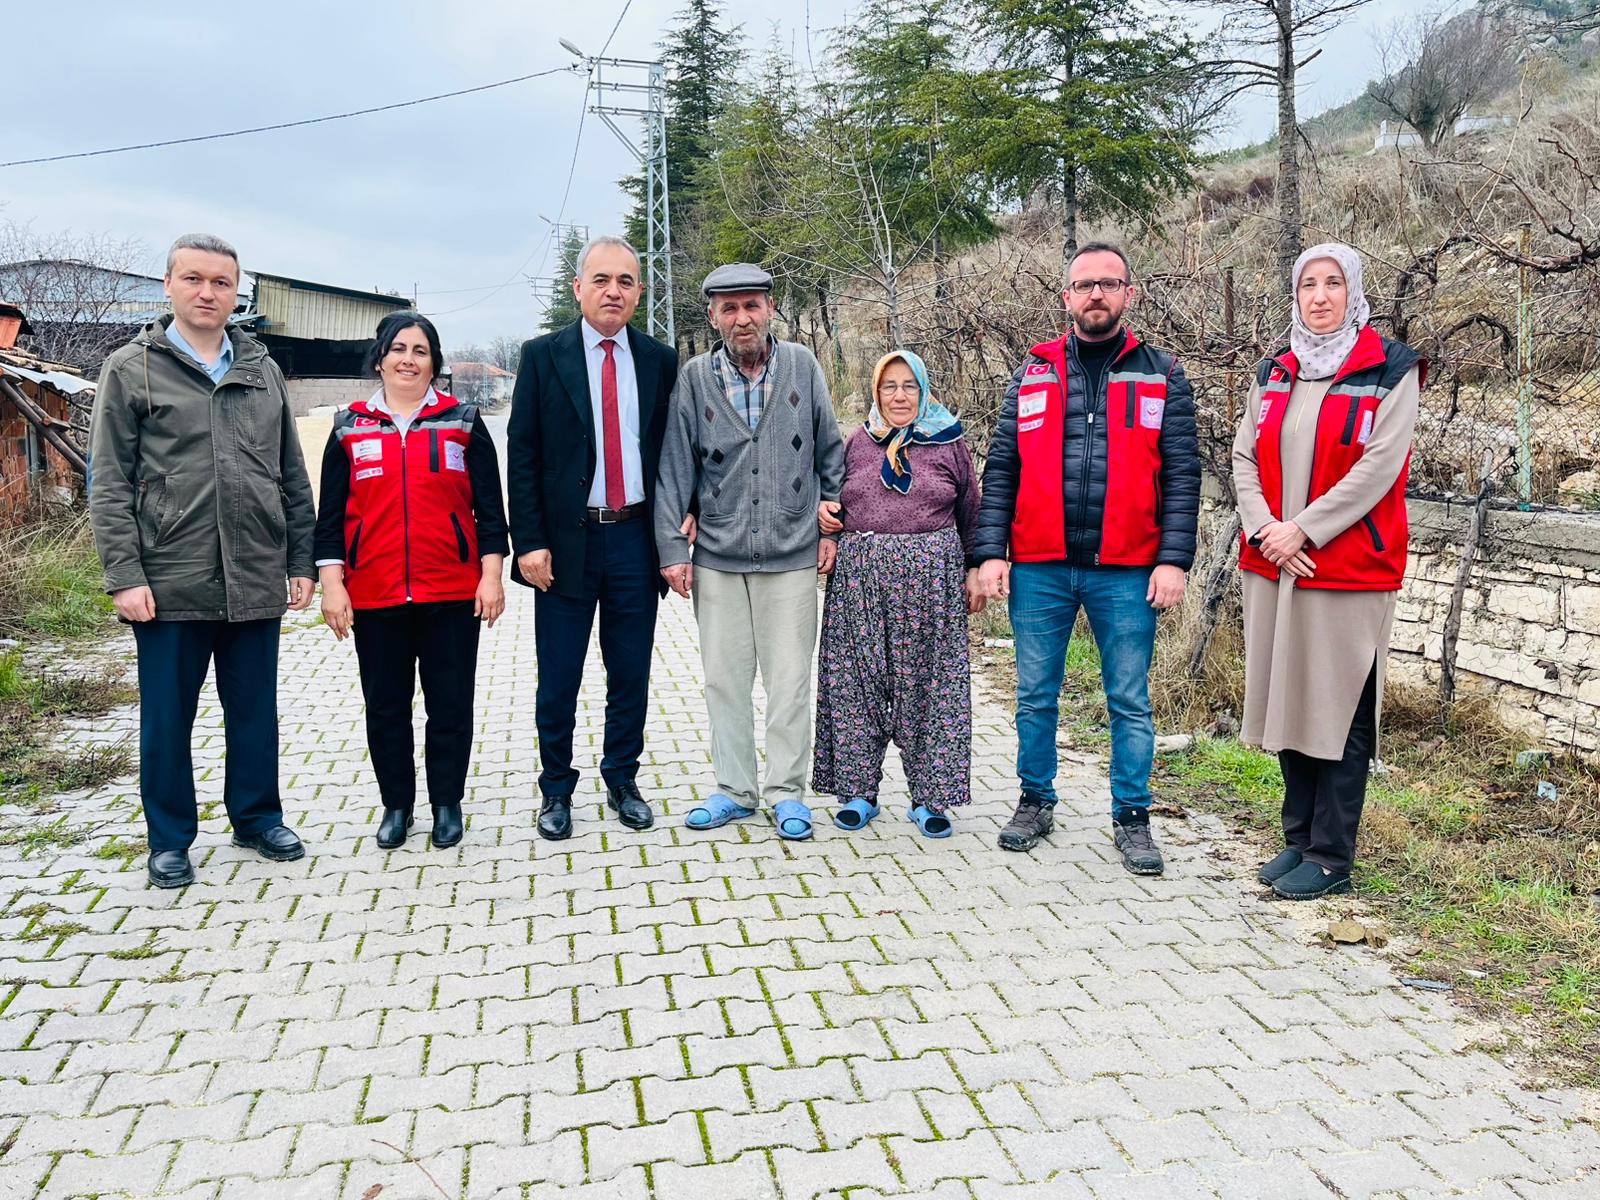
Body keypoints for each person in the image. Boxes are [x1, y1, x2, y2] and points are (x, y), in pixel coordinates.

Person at [88, 233, 316, 889]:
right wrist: (124, 576)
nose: (207, 292)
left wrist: (298, 558)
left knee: (254, 711)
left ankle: (256, 817)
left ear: (235, 293)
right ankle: (169, 840)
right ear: (169, 286)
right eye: (194, 279)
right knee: (168, 718)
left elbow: (290, 474)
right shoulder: (133, 369)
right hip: (168, 577)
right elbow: (108, 483)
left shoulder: (261, 369)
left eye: (221, 282)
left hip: (253, 574)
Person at [974, 242, 1201, 874]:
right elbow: (1002, 471)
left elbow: (1183, 475)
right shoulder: (1033, 372)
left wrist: (1173, 559)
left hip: (1128, 569)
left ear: (1130, 293)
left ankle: (1132, 817)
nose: (1095, 294)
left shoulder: (1162, 373)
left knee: (1129, 699)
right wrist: (992, 552)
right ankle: (1034, 800)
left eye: (1109, 283)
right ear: (1066, 297)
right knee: (1034, 695)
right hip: (1041, 566)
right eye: (1083, 284)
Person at [1233, 242, 1423, 900]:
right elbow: (1244, 458)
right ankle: (1297, 839)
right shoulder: (1276, 369)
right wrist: (1267, 530)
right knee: (1288, 697)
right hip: (1274, 563)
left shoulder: (1389, 369)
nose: (1319, 296)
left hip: (1344, 565)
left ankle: (1332, 854)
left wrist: (1303, 529)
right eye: (1308, 284)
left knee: (1338, 708)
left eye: (1333, 283)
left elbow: (1379, 468)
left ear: (1355, 293)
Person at [654, 263, 846, 840]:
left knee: (789, 681)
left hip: (791, 552)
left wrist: (832, 524)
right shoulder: (694, 378)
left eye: (752, 305)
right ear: (713, 316)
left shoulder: (802, 367)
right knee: (725, 680)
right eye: (729, 308)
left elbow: (832, 451)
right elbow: (674, 466)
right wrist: (672, 548)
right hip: (716, 553)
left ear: (770, 308)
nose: (742, 318)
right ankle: (735, 789)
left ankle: (788, 793)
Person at [505, 236, 680, 841]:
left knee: (629, 671)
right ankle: (556, 789)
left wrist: (678, 528)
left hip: (635, 539)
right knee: (560, 675)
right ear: (579, 288)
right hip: (564, 545)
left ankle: (622, 779)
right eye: (601, 279)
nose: (614, 290)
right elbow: (521, 454)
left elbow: (670, 454)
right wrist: (527, 541)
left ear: (638, 292)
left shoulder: (660, 359)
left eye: (626, 281)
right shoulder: (542, 356)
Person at [314, 312, 508, 850]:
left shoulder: (462, 422)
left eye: (420, 351)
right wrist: (333, 585)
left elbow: (490, 512)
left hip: (451, 591)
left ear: (434, 362)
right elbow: (328, 519)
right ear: (380, 357)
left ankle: (447, 803)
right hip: (374, 594)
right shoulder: (349, 425)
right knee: (386, 707)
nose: (408, 359)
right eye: (398, 349)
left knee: (449, 704)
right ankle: (396, 805)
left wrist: (491, 577)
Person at [813, 350, 984, 836]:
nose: (899, 395)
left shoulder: (950, 444)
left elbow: (973, 510)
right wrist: (827, 523)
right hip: (859, 583)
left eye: (909, 385)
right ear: (876, 392)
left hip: (932, 584)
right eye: (889, 386)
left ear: (924, 390)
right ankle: (858, 793)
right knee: (854, 685)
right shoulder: (857, 444)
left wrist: (975, 569)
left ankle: (931, 799)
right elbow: (830, 501)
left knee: (930, 689)